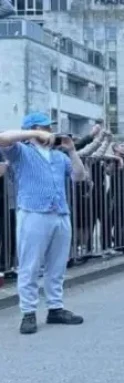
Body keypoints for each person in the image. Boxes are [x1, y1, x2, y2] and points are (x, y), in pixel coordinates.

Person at [0, 113, 88, 334]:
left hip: (60, 213)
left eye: (50, 128)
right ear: (32, 129)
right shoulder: (21, 151)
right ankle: (28, 312)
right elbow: (3, 138)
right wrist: (33, 133)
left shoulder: (59, 157)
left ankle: (55, 308)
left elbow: (79, 176)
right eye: (45, 127)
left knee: (57, 266)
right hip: (33, 212)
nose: (49, 131)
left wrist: (71, 150)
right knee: (30, 265)